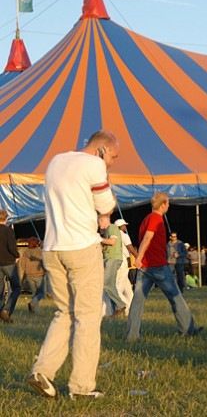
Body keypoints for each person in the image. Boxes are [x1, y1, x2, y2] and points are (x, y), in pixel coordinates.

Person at [28, 130, 119, 399]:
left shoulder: (56, 161)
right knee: (88, 317)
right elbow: (106, 205)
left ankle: (42, 371)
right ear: (101, 150)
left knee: (63, 313)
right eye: (113, 156)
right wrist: (105, 181)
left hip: (53, 247)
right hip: (81, 247)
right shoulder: (94, 164)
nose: (112, 161)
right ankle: (81, 387)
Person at [126, 192, 201, 341]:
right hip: (157, 265)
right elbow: (148, 237)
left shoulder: (146, 219)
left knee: (137, 302)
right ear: (162, 205)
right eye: (167, 203)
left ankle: (132, 336)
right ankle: (187, 330)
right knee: (176, 296)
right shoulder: (156, 218)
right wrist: (139, 257)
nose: (169, 206)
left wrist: (140, 260)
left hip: (145, 268)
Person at [98, 214, 126, 317]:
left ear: (103, 220)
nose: (98, 224)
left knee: (104, 283)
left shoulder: (112, 227)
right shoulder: (107, 231)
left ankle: (120, 304)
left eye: (98, 221)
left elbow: (112, 242)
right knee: (111, 285)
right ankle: (117, 311)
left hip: (112, 259)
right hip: (109, 259)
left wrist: (99, 239)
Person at [0, 208, 20, 323]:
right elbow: (12, 247)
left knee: (0, 290)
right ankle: (6, 311)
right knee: (16, 287)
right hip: (8, 263)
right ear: (6, 218)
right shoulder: (8, 231)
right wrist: (17, 255)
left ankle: (1, 311)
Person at [21, 237, 45, 313]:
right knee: (41, 292)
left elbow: (22, 264)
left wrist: (26, 270)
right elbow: (43, 262)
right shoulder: (40, 251)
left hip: (29, 275)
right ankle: (33, 303)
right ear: (36, 243)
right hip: (39, 274)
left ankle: (34, 310)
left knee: (34, 293)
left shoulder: (25, 252)